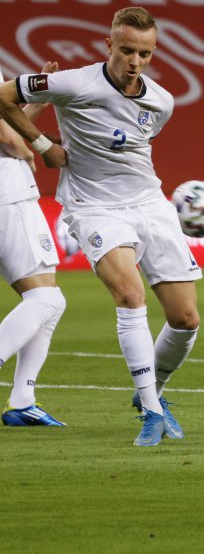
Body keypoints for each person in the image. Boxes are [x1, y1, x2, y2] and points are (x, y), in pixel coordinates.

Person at [0, 8, 202, 447]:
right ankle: (151, 412)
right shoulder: (75, 82)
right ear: (108, 45)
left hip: (150, 205)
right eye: (126, 50)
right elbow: (2, 95)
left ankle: (153, 393)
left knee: (185, 319)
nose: (134, 61)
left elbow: (135, 149)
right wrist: (43, 144)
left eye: (144, 53)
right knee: (129, 295)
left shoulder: (161, 101)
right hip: (93, 207)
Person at [0, 63, 68, 427]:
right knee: (47, 299)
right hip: (7, 193)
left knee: (47, 301)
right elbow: (6, 136)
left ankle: (23, 400)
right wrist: (29, 151)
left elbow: (6, 119)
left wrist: (34, 105)